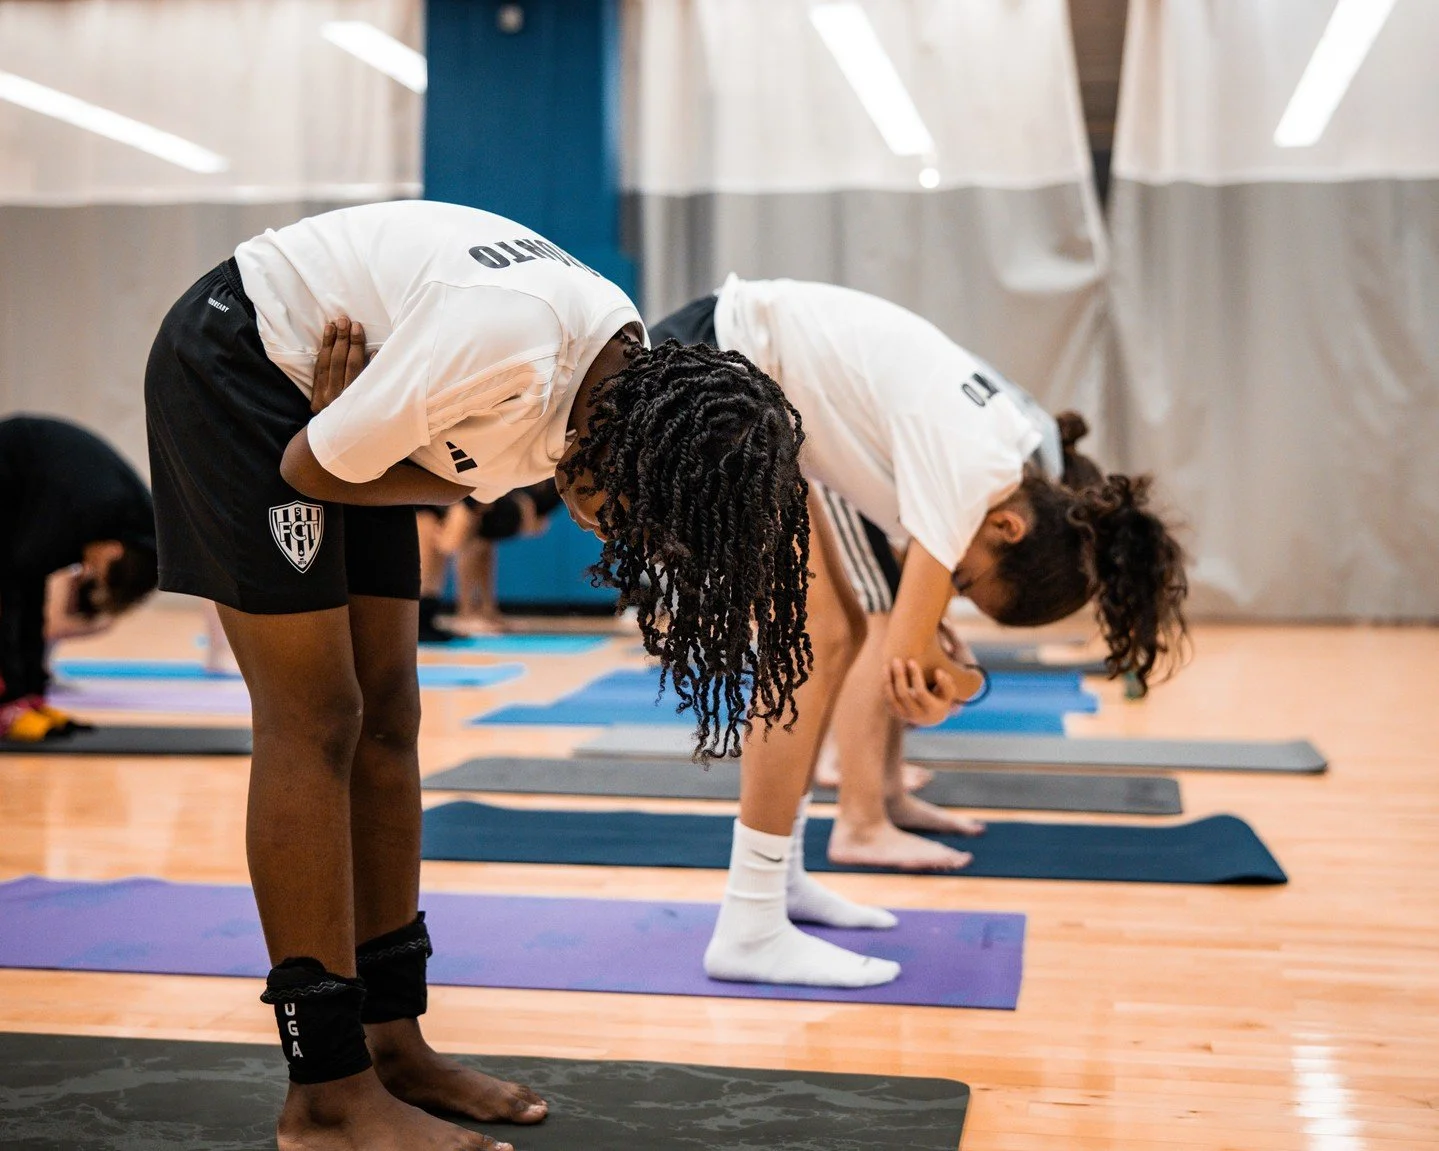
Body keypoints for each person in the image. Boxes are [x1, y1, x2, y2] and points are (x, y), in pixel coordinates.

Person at [143, 201, 811, 1151]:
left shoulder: (615, 367)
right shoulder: (509, 348)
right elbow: (312, 465)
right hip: (243, 369)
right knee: (319, 716)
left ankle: (393, 1039)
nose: (615, 534)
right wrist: (402, 453)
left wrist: (383, 442)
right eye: (632, 514)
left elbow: (376, 459)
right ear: (623, 450)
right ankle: (326, 1094)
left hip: (346, 406)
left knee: (390, 718)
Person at [647, 277, 1189, 987]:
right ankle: (748, 923)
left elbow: (915, 638)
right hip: (708, 373)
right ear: (1007, 528)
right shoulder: (974, 473)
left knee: (831, 629)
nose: (952, 589)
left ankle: (777, 883)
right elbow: (905, 655)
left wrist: (939, 664)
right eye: (966, 582)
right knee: (818, 639)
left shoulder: (998, 457)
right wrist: (952, 681)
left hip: (732, 370)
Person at [816, 411, 1106, 871]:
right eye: (968, 585)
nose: (959, 588)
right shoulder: (1005, 473)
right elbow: (927, 570)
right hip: (834, 453)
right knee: (877, 623)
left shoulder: (1021, 486)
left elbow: (931, 570)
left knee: (892, 618)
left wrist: (934, 638)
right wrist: (949, 669)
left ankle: (886, 797)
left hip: (856, 457)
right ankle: (860, 823)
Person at [0, 415, 158, 740]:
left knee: (29, 587)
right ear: (115, 553)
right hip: (10, 468)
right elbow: (16, 581)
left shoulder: (131, 522)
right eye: (96, 573)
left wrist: (34, 689)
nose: (86, 570)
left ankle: (29, 696)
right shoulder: (92, 509)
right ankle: (11, 700)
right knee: (13, 590)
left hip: (25, 475)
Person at [416, 481, 563, 642]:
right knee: (455, 543)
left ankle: (485, 611)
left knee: (479, 542)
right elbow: (450, 544)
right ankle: (464, 613)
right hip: (465, 493)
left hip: (487, 495)